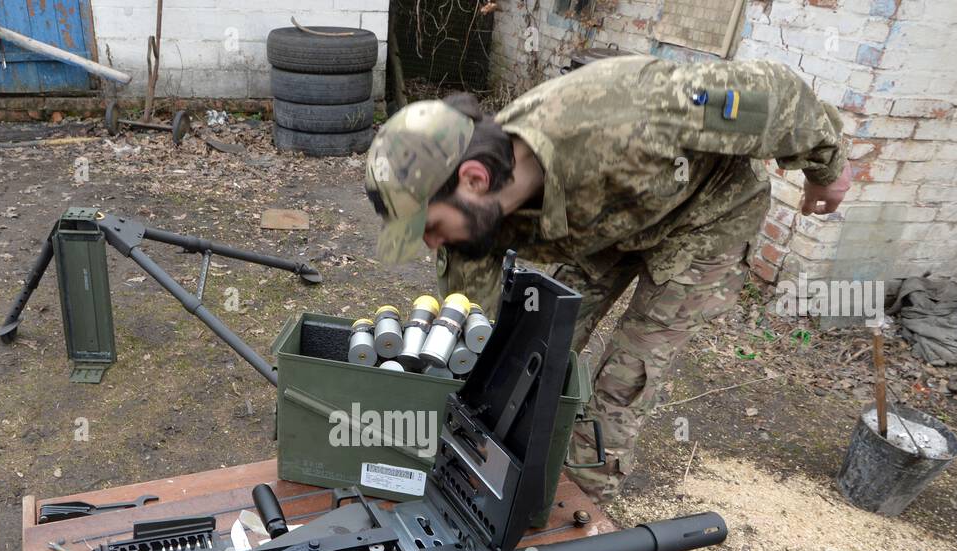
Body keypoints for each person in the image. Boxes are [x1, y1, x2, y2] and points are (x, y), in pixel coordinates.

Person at [365, 55, 851, 500]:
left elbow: (774, 93)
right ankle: (503, 480)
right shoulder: (472, 223)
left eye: (430, 226)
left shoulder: (629, 116)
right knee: (526, 353)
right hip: (605, 228)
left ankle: (577, 508)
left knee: (624, 379)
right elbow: (474, 335)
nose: (431, 243)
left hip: (706, 218)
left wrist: (827, 169)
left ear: (474, 179)